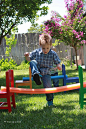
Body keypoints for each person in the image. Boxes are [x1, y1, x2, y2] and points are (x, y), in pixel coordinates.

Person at [24, 33, 62, 106]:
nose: (45, 50)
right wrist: (26, 56)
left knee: (48, 87)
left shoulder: (52, 53)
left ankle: (50, 101)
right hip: (37, 69)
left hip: (46, 72)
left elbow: (57, 61)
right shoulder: (36, 52)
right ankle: (36, 75)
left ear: (50, 46)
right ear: (40, 45)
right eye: (43, 48)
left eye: (47, 48)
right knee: (32, 62)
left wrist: (58, 66)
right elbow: (29, 59)